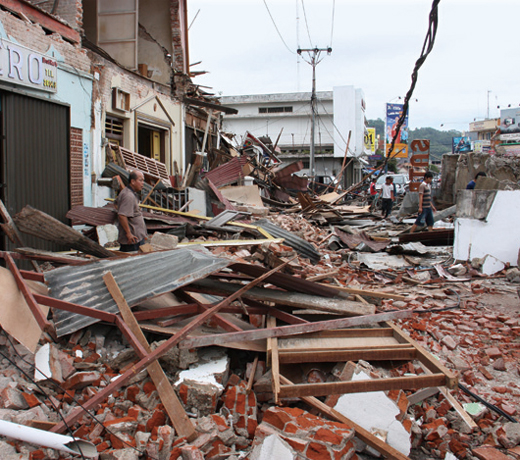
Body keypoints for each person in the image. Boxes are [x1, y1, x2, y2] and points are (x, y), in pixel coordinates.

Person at [115, 170, 147, 252]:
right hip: (132, 240)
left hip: (136, 238)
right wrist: (128, 233)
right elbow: (122, 215)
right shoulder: (128, 195)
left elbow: (116, 204)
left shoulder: (130, 193)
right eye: (140, 180)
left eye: (143, 180)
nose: (142, 183)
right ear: (132, 181)